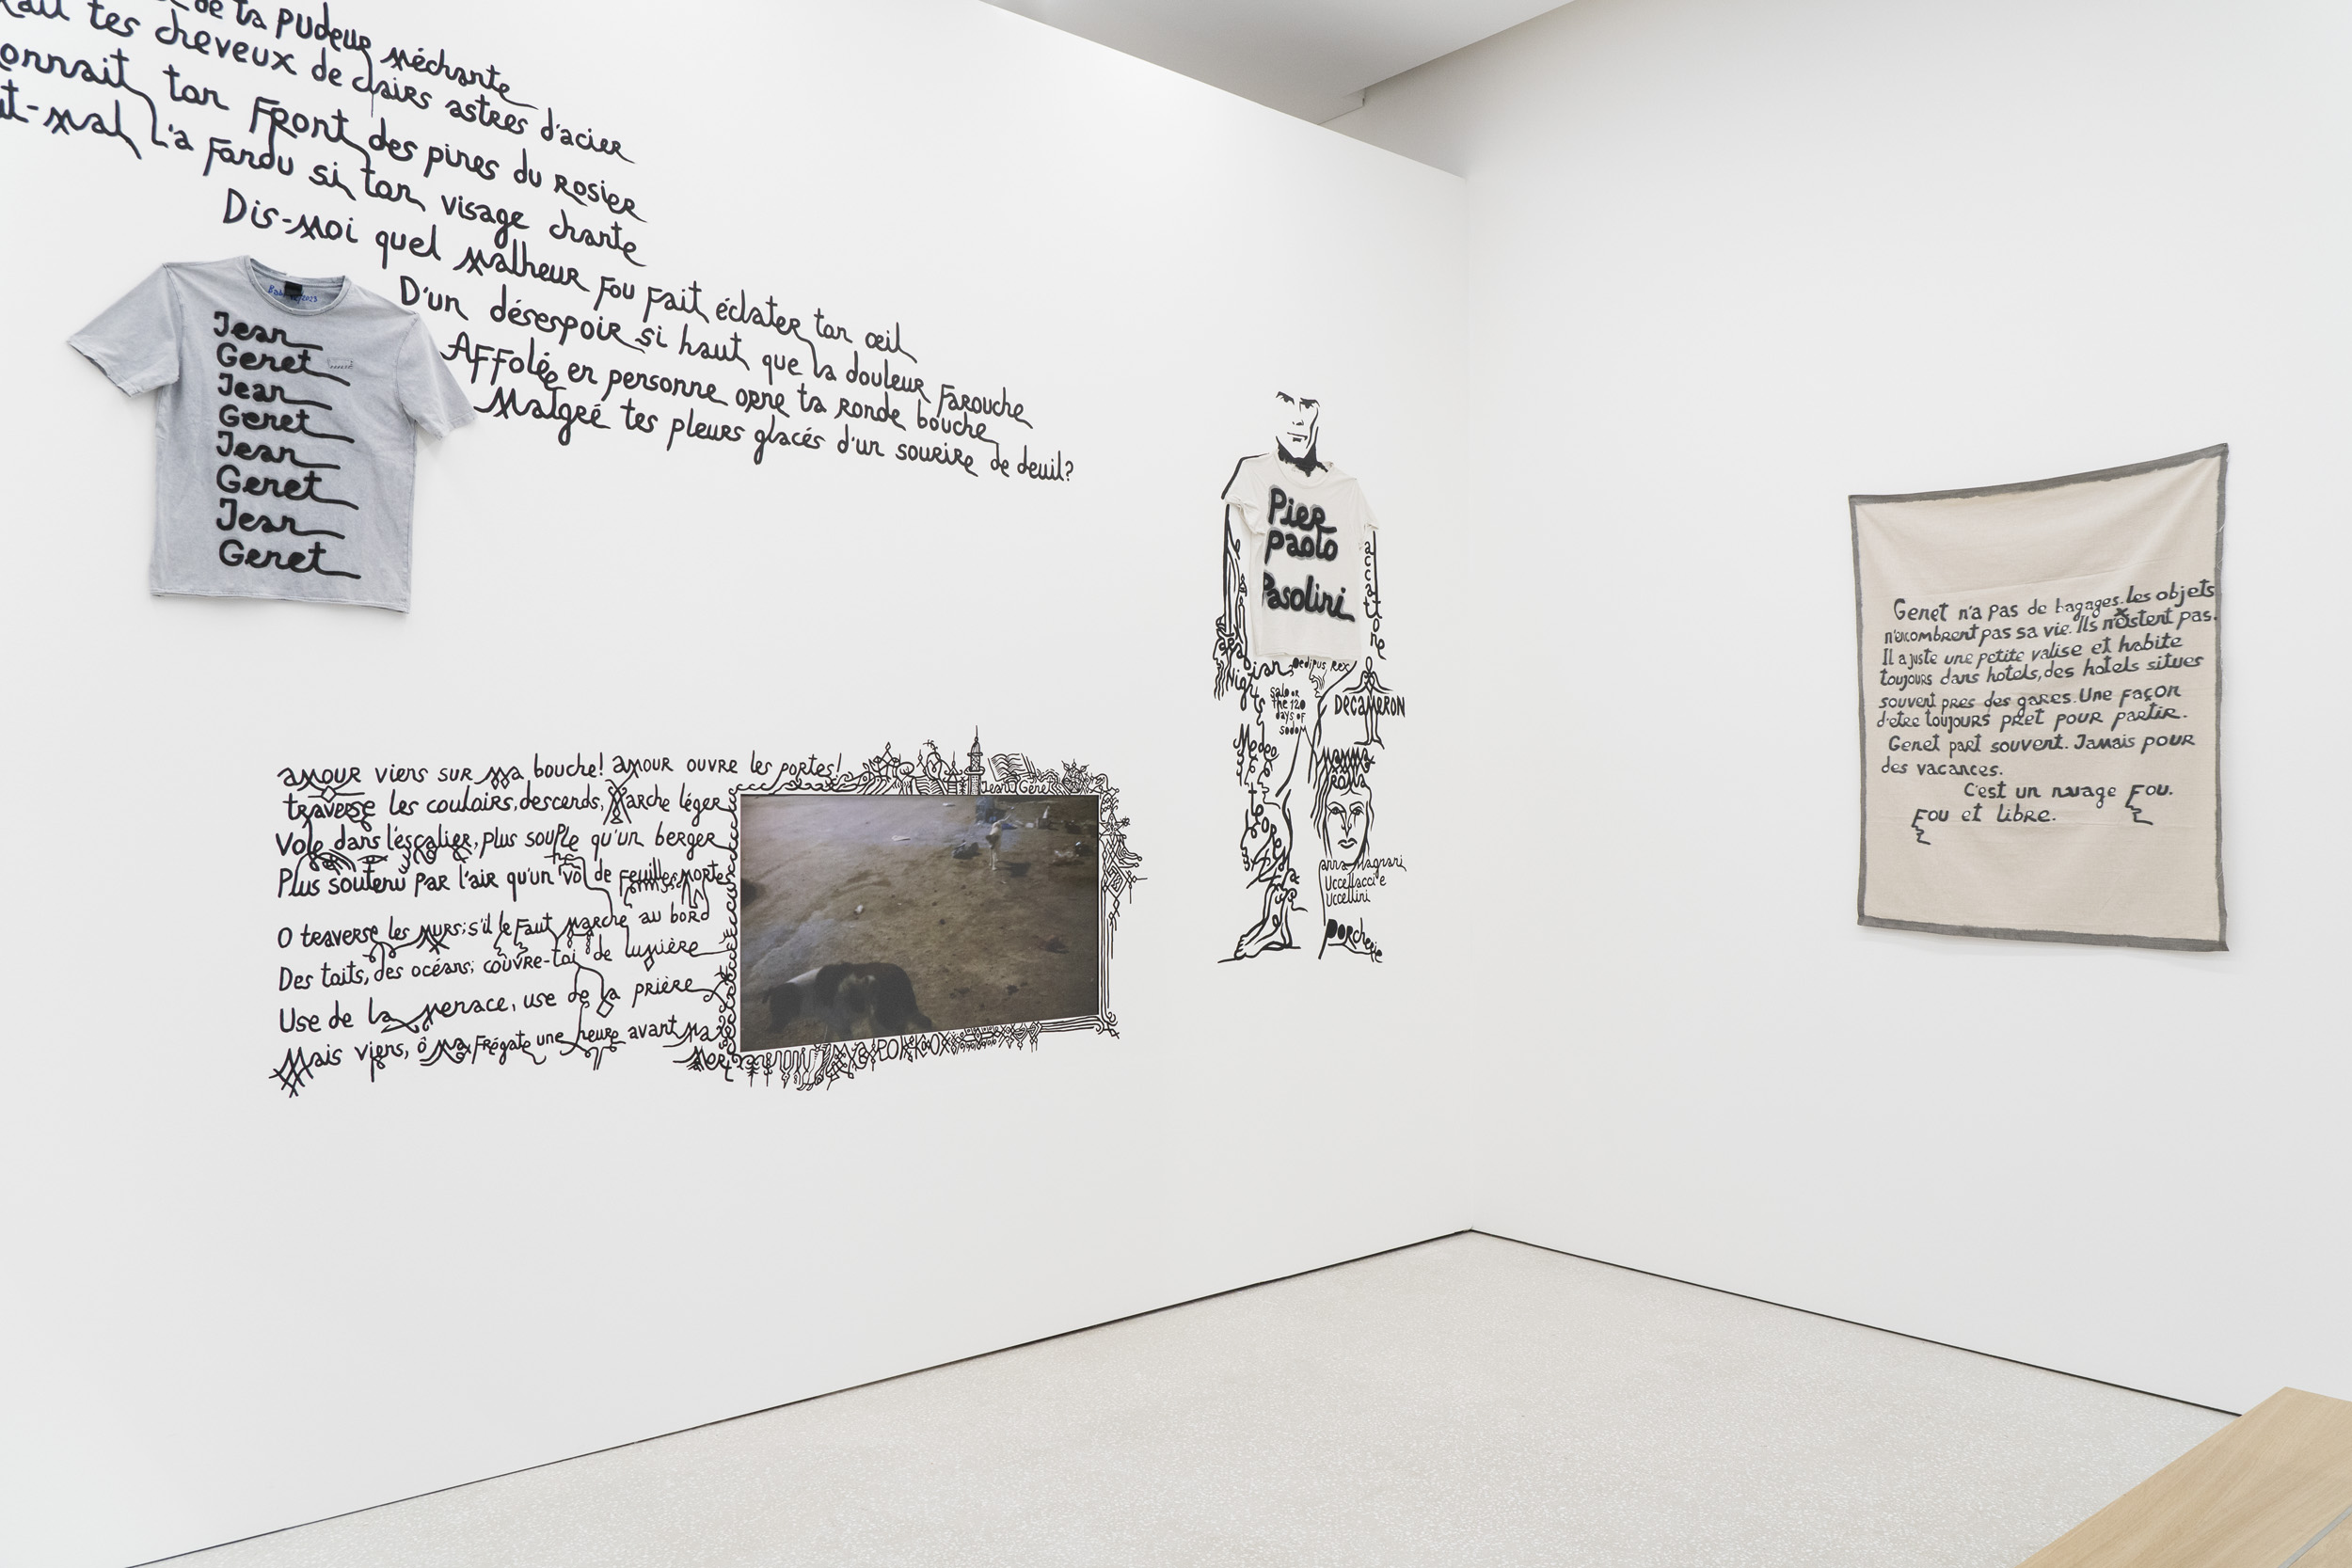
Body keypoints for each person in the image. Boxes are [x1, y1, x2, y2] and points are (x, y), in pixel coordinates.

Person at [1214, 391, 1389, 959]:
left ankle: (1328, 920)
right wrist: (1235, 641)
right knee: (1273, 792)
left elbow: (1369, 569)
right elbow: (1233, 563)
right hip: (1281, 665)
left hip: (1333, 668)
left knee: (1331, 793)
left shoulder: (1346, 489)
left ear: (1319, 414)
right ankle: (1286, 917)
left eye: (1307, 404)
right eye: (1286, 402)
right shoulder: (1254, 476)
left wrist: (1370, 651)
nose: (1296, 415)